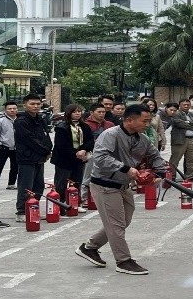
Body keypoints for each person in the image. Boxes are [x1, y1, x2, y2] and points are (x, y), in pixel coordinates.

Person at [74, 104, 168, 275]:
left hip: (123, 186)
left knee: (123, 222)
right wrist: (126, 169)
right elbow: (101, 157)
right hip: (104, 185)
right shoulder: (110, 134)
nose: (147, 124)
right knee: (116, 225)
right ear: (129, 120)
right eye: (144, 121)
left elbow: (154, 155)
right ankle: (123, 261)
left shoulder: (142, 138)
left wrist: (160, 171)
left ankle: (89, 247)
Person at [14, 94, 52, 222]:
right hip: (26, 158)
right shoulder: (21, 121)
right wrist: (44, 150)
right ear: (25, 105)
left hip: (39, 158)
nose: (36, 106)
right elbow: (30, 140)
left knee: (39, 185)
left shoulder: (40, 119)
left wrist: (48, 150)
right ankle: (22, 211)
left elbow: (45, 136)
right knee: (26, 186)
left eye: (38, 104)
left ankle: (33, 208)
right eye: (32, 104)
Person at [52, 104, 94, 212]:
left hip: (79, 159)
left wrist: (84, 150)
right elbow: (61, 145)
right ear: (69, 113)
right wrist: (75, 153)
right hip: (64, 159)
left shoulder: (84, 126)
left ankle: (75, 202)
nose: (77, 113)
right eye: (75, 112)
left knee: (77, 181)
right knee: (61, 183)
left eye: (79, 111)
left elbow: (90, 140)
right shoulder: (62, 127)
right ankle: (60, 204)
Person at [81, 103, 116, 205]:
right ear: (92, 112)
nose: (102, 114)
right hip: (91, 154)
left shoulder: (110, 125)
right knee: (88, 176)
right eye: (99, 112)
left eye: (103, 112)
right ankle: (84, 197)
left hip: (108, 154)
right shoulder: (85, 125)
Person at [169, 99, 193, 181]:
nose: (186, 106)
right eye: (184, 104)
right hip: (180, 140)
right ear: (180, 105)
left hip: (192, 140)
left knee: (192, 159)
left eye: (188, 104)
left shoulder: (192, 114)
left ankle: (190, 176)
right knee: (175, 159)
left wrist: (189, 122)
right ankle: (171, 176)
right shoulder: (176, 114)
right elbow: (179, 123)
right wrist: (192, 124)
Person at [0, 101, 18, 192]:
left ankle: (11, 184)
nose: (12, 110)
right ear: (5, 110)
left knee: (15, 166)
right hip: (4, 147)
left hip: (16, 148)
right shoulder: (0, 121)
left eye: (14, 108)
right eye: (9, 109)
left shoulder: (19, 121)